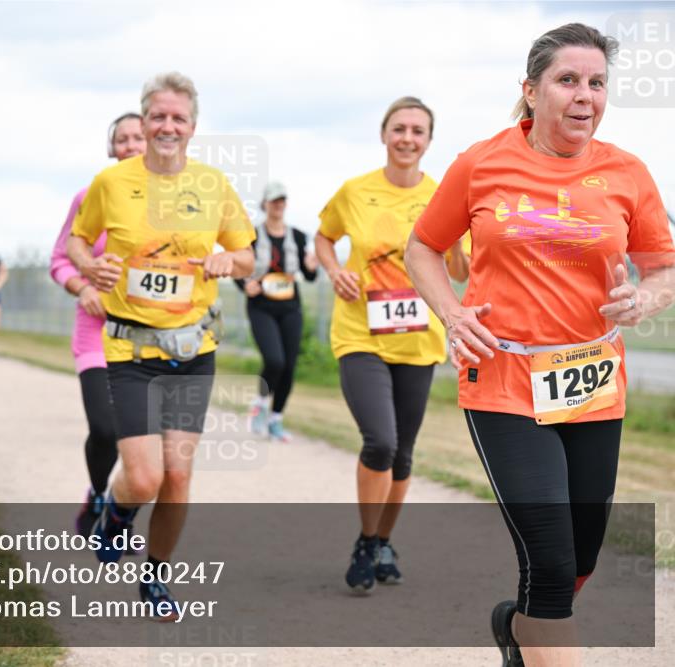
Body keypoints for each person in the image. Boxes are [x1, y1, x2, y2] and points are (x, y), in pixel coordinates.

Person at [405, 23, 675, 667]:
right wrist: (450, 312)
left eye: (597, 83)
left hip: (591, 386)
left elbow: (663, 266)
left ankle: (518, 628)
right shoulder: (480, 163)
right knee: (552, 561)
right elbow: (423, 247)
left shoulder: (627, 172)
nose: (585, 96)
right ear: (531, 92)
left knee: (579, 559)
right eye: (567, 80)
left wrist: (645, 299)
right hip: (502, 381)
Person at [68, 72, 255, 619]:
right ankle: (117, 515)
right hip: (130, 350)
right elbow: (79, 241)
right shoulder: (111, 183)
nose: (167, 126)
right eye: (158, 117)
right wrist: (90, 264)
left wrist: (228, 261)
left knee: (177, 474)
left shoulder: (214, 185)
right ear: (143, 122)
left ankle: (155, 574)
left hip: (193, 351)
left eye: (178, 118)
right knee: (144, 476)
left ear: (192, 127)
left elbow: (247, 256)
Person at [315, 96, 469, 595]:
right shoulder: (355, 191)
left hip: (419, 340)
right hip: (360, 334)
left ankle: (383, 540)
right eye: (399, 128)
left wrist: (464, 255)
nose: (407, 138)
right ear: (384, 135)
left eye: (418, 131)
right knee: (379, 441)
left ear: (428, 141)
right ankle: (366, 539)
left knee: (403, 455)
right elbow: (323, 237)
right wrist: (335, 269)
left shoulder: (442, 194)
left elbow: (458, 267)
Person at [50, 111, 146, 538]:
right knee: (105, 429)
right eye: (122, 140)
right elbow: (60, 258)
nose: (130, 146)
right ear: (112, 149)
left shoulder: (171, 204)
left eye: (138, 138)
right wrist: (80, 286)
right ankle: (98, 491)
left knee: (140, 439)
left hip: (149, 337)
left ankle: (121, 514)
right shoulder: (89, 197)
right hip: (97, 331)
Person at [238, 181, 318, 442]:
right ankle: (260, 403)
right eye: (274, 200)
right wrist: (244, 284)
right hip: (261, 306)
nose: (279, 205)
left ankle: (276, 419)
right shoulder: (251, 234)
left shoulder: (296, 236)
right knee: (275, 361)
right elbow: (240, 267)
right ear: (265, 204)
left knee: (289, 366)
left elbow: (309, 275)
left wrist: (312, 265)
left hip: (290, 306)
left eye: (282, 200)